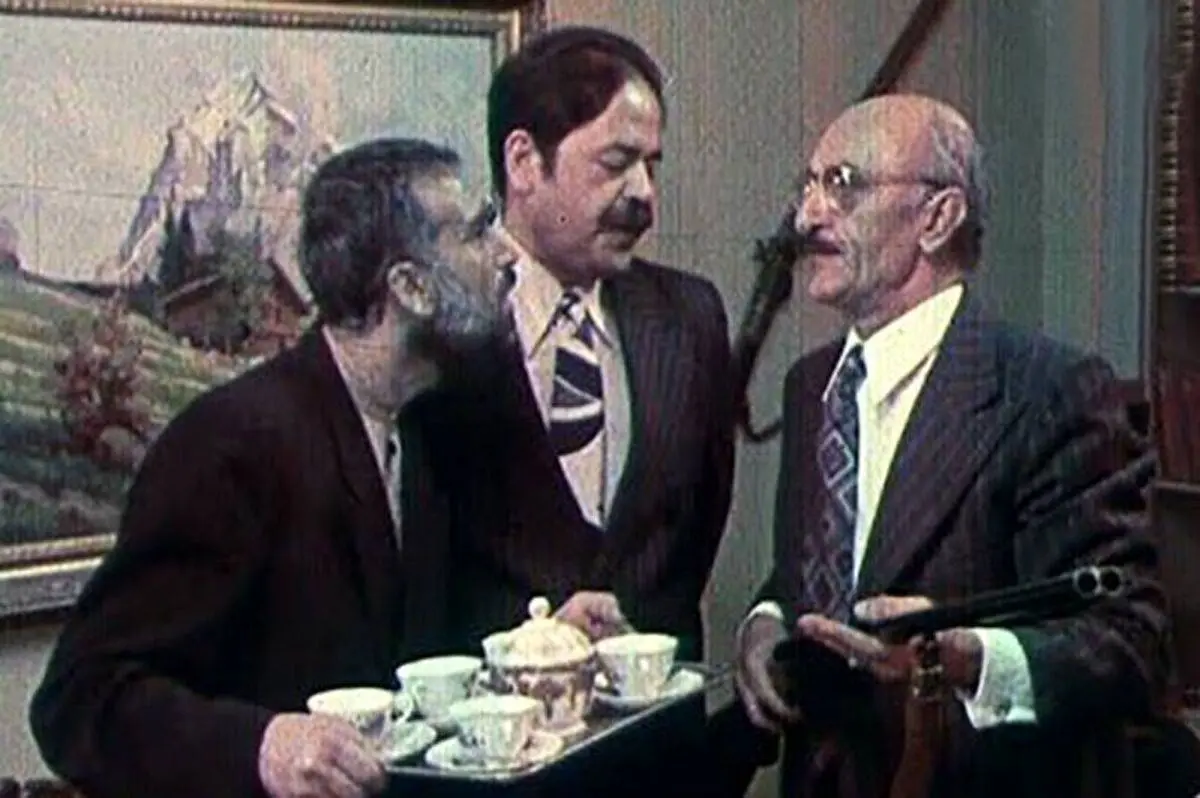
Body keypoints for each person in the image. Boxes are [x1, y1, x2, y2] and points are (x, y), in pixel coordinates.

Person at [29, 138, 517, 798]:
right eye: (479, 231)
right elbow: (78, 699)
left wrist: (537, 644)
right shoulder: (231, 444)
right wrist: (261, 746)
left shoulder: (422, 427)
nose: (507, 252)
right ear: (411, 288)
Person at [732, 94, 1173, 798]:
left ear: (937, 218)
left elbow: (1130, 642)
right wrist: (765, 623)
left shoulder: (1051, 391)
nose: (807, 216)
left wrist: (962, 661)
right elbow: (829, 564)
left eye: (842, 184)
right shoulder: (810, 385)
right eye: (806, 185)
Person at [419, 25, 737, 796]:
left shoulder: (689, 318)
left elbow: (692, 536)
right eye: (616, 163)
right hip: (486, 774)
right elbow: (410, 582)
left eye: (652, 166)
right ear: (524, 161)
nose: (644, 195)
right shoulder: (433, 332)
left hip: (658, 773)